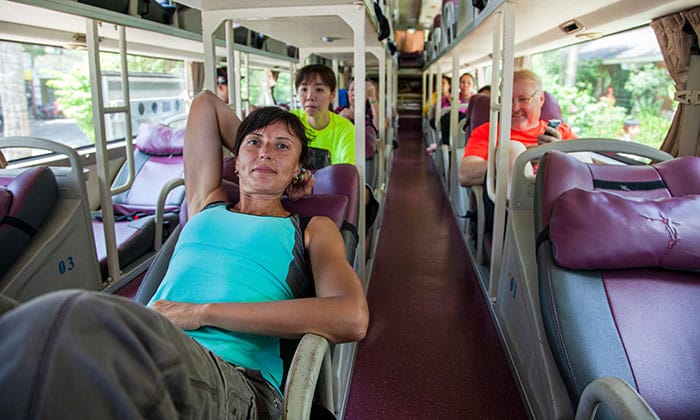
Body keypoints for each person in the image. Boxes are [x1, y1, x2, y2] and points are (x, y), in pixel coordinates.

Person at [0, 93, 369, 419]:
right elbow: (206, 104)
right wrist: (265, 141)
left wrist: (201, 312)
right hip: (147, 344)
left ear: (297, 170)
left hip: (233, 377)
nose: (265, 152)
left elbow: (350, 316)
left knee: (66, 321)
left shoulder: (311, 228)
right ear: (235, 162)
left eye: (282, 147)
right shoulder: (206, 202)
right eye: (253, 144)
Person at [459, 69, 577, 188]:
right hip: (504, 202)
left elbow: (590, 163)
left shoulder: (561, 132)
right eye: (508, 100)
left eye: (523, 99)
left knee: (578, 156)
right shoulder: (488, 131)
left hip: (557, 197)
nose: (515, 108)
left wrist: (561, 154)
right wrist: (519, 160)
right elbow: (465, 174)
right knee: (513, 149)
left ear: (541, 100)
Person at [290, 64, 355, 166]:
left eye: (319, 90)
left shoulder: (345, 129)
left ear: (332, 95)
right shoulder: (290, 122)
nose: (310, 97)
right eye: (304, 89)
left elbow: (345, 172)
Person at [335, 78, 380, 159]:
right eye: (351, 90)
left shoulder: (371, 112)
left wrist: (372, 97)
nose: (354, 93)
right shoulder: (339, 111)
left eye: (359, 90)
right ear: (347, 93)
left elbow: (380, 127)